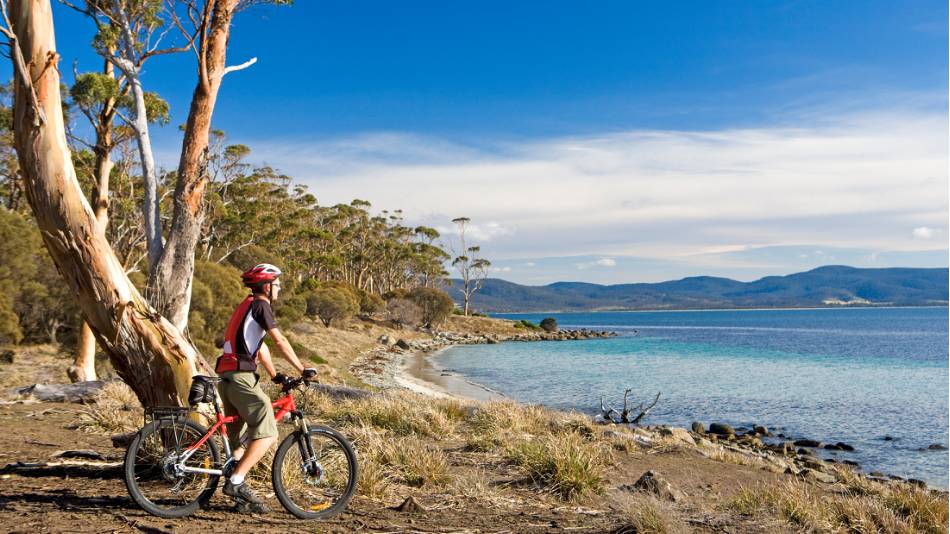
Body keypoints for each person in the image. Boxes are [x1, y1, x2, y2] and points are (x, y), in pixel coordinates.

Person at [215, 263, 316, 513]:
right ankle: (237, 483)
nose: (279, 288)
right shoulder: (262, 305)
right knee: (269, 433)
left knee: (240, 443)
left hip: (227, 377)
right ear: (267, 286)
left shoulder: (246, 306)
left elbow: (259, 346)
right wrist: (302, 368)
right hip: (241, 377)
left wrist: (274, 375)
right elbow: (278, 340)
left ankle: (241, 499)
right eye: (277, 284)